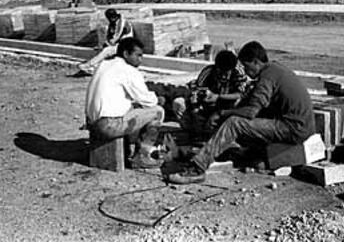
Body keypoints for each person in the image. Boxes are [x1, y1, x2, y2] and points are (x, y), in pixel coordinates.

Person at [162, 41, 316, 184]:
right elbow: (254, 102)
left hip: (293, 128)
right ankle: (254, 155)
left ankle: (198, 168)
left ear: (256, 62)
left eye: (248, 67)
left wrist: (222, 113)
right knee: (239, 122)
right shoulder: (274, 70)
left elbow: (250, 112)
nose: (247, 73)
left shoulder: (267, 77)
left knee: (234, 124)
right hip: (298, 125)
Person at [85, 37, 164, 168]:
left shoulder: (104, 64)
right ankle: (142, 157)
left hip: (91, 122)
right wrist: (158, 99)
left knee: (134, 108)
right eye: (138, 55)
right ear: (126, 54)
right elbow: (148, 100)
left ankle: (129, 148)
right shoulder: (128, 70)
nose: (140, 60)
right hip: (108, 126)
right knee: (157, 111)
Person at [172, 50, 248, 142]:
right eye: (221, 72)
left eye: (226, 73)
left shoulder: (238, 73)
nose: (224, 77)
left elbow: (240, 94)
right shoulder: (208, 72)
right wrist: (196, 107)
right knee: (178, 103)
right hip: (204, 108)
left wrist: (218, 97)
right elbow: (195, 92)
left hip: (225, 109)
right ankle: (195, 133)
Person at [78, 8, 134, 74]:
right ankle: (94, 67)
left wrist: (108, 43)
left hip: (126, 45)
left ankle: (88, 65)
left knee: (107, 51)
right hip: (118, 45)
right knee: (102, 50)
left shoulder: (122, 23)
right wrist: (105, 43)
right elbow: (109, 36)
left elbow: (116, 38)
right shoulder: (112, 23)